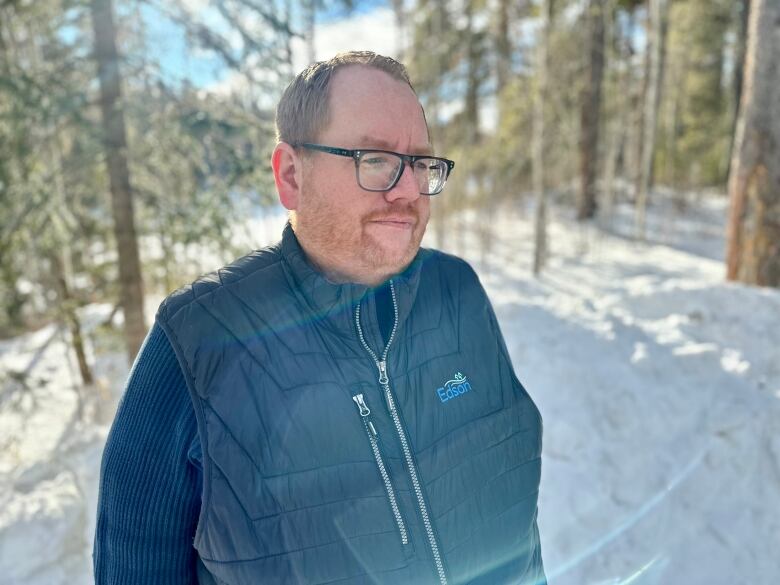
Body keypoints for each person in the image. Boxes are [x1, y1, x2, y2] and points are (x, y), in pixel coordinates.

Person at [93, 51, 546, 585]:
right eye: (375, 159)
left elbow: (518, 529)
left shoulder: (458, 293)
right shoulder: (197, 340)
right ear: (291, 175)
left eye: (421, 163)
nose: (407, 190)